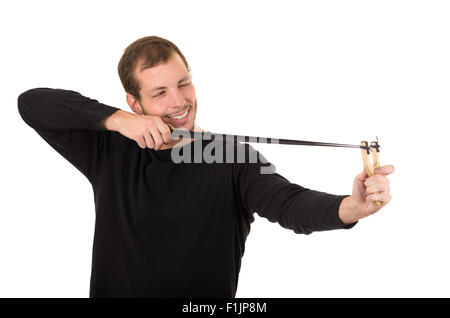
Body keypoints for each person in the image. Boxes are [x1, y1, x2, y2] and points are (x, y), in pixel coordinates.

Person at [17, 35, 394, 298]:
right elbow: (31, 103)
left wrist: (352, 206)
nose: (180, 101)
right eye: (160, 93)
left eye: (184, 84)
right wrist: (115, 121)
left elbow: (288, 203)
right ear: (135, 103)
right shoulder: (110, 149)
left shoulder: (233, 158)